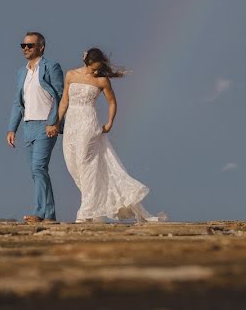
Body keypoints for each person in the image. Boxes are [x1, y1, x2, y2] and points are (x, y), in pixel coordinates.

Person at [57, 48, 166, 223]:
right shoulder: (70, 75)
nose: (96, 72)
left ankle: (85, 212)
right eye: (93, 69)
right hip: (71, 124)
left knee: (86, 164)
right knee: (73, 166)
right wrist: (56, 122)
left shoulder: (102, 80)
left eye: (99, 69)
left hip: (88, 124)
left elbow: (112, 102)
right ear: (86, 63)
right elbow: (64, 101)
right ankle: (93, 204)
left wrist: (109, 122)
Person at [6, 32, 64, 224]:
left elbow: (60, 96)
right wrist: (11, 129)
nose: (26, 49)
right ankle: (49, 215)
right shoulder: (21, 72)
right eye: (23, 45)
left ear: (41, 47)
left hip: (45, 125)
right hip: (27, 125)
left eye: (30, 45)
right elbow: (17, 101)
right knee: (36, 171)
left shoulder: (51, 66)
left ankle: (39, 213)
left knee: (39, 167)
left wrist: (53, 122)